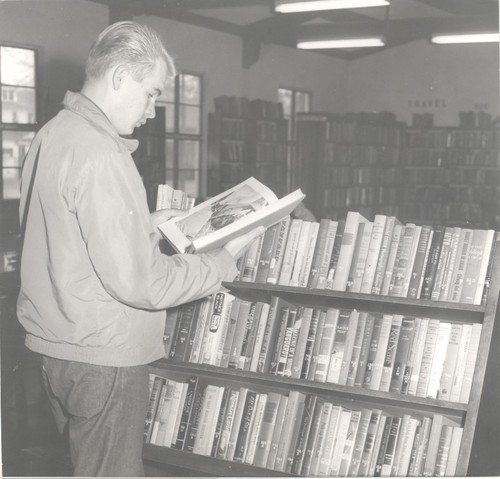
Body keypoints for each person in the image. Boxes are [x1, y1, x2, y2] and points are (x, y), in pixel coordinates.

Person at [17, 21, 263, 477]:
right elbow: (142, 283)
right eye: (151, 92)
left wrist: (145, 224)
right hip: (103, 357)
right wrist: (222, 261)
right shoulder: (102, 153)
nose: (153, 108)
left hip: (57, 348)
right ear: (119, 78)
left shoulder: (54, 134)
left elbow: (58, 230)